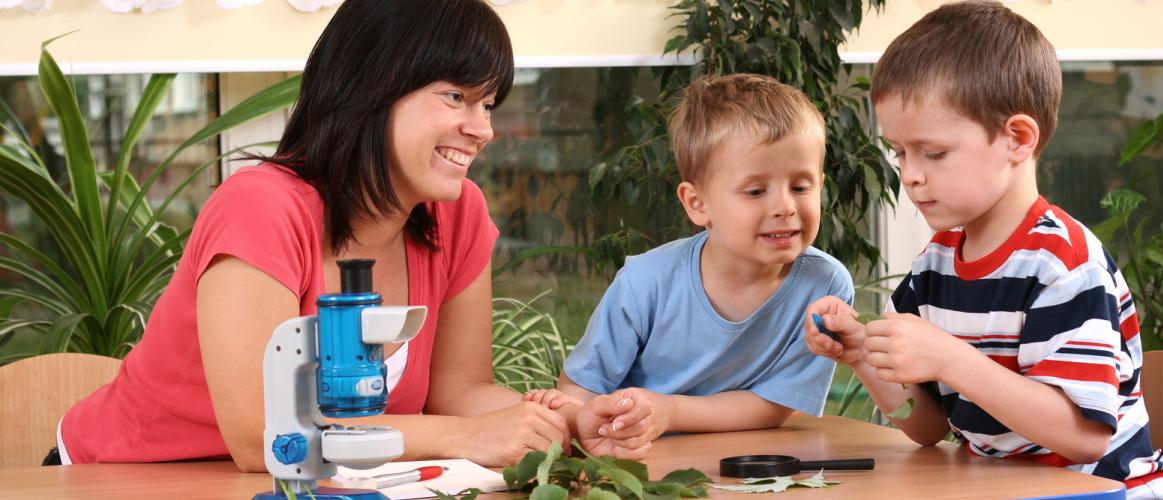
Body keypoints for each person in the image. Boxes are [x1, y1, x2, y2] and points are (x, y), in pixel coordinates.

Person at [57, 0, 635, 472]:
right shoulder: (261, 207)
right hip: (117, 478)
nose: (482, 128)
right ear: (372, 89)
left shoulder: (458, 216)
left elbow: (459, 394)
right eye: (455, 96)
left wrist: (563, 419)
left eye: (488, 103)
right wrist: (464, 436)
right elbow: (265, 436)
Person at [804, 2, 1163, 498]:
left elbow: (1082, 437)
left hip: (1104, 490)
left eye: (934, 153)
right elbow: (926, 428)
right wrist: (863, 355)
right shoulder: (934, 265)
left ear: (1017, 139)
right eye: (900, 152)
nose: (911, 174)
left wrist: (950, 360)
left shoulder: (1064, 265)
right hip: (1002, 488)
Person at [528, 74, 851, 448]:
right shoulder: (644, 282)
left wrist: (668, 412)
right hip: (636, 460)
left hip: (740, 463)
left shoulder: (826, 287)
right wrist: (602, 422)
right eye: (755, 191)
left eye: (801, 186)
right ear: (697, 204)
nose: (785, 207)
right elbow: (578, 392)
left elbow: (774, 405)